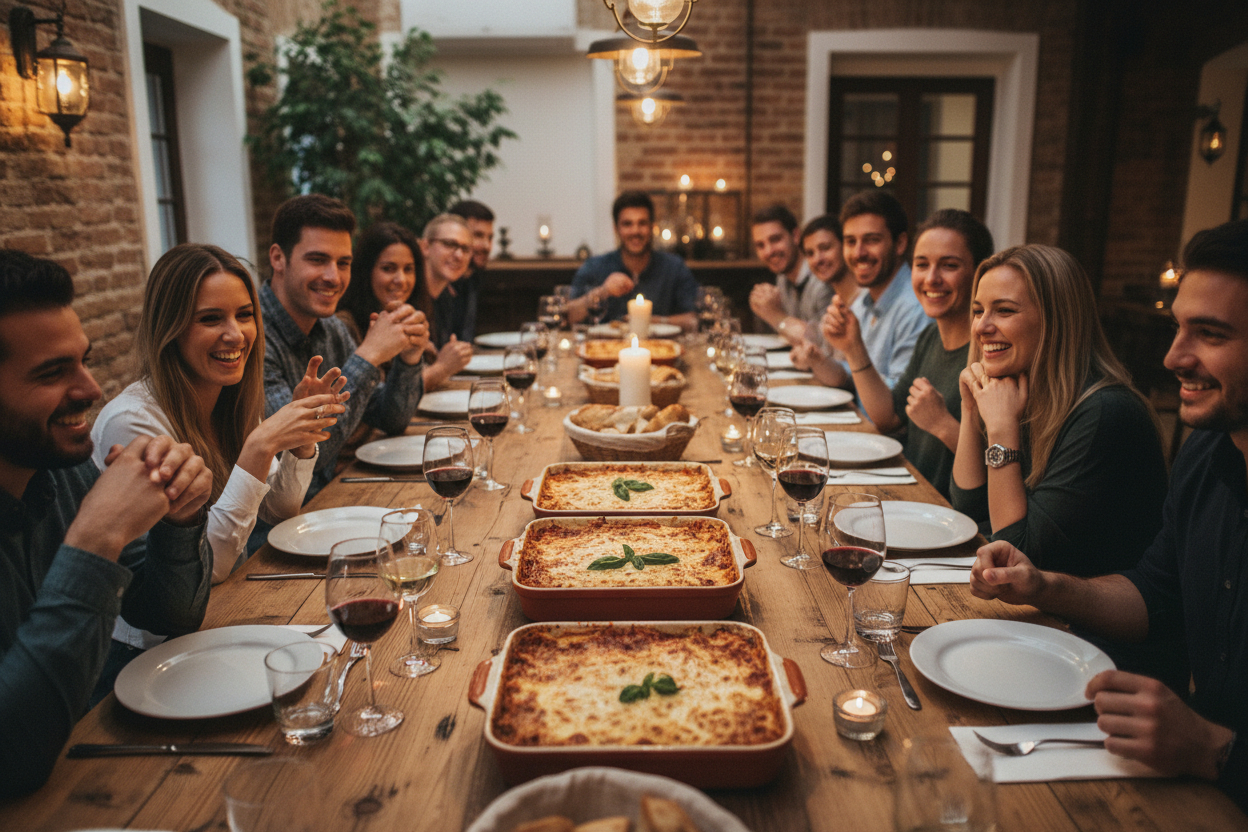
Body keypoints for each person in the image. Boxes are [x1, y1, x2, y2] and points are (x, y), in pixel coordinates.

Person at [968, 220, 1248, 811]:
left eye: (1212, 334)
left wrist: (1216, 748)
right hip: (1170, 759)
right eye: (1179, 329)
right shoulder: (1206, 451)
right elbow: (1154, 593)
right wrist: (1043, 584)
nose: (1174, 356)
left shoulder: (1108, 415)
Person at [0, 249, 213, 797]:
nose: (91, 389)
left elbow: (169, 614)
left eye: (82, 361)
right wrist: (95, 540)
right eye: (53, 372)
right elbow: (14, 756)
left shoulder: (56, 469)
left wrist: (180, 522)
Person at [93, 244, 347, 588]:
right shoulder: (131, 422)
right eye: (210, 318)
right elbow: (204, 570)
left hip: (225, 605)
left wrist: (300, 442)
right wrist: (260, 446)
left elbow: (279, 510)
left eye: (244, 315)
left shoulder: (229, 398)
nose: (235, 334)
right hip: (152, 638)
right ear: (170, 327)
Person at [950, 244, 1167, 575]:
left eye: (1004, 310)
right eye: (978, 311)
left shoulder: (1104, 412)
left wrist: (1001, 429)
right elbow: (967, 510)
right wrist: (969, 409)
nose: (981, 327)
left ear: (1057, 320)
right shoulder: (1016, 391)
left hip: (1081, 624)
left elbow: (1019, 555)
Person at [261, 194, 429, 497]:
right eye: (317, 260)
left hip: (328, 500)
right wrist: (369, 355)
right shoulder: (252, 336)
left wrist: (409, 357)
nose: (333, 277)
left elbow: (391, 418)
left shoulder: (331, 329)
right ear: (278, 258)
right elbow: (307, 457)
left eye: (343, 263)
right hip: (266, 529)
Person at [822, 209, 994, 497]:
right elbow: (887, 416)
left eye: (949, 265)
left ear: (980, 272)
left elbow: (1001, 467)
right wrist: (853, 347)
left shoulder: (989, 355)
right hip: (913, 494)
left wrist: (944, 426)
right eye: (922, 264)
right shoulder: (930, 337)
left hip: (953, 515)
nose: (931, 278)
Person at [805, 190, 930, 390]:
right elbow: (852, 376)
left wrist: (852, 352)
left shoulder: (916, 307)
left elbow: (899, 401)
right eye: (851, 242)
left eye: (871, 240)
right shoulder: (864, 299)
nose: (858, 253)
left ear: (900, 243)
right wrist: (817, 359)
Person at [340, 221, 469, 392]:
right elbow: (370, 404)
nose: (401, 280)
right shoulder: (344, 325)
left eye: (408, 269)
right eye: (388, 268)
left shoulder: (411, 313)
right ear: (366, 271)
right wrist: (442, 368)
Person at [568, 191, 699, 331]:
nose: (635, 231)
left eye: (642, 223)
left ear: (652, 227)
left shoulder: (674, 267)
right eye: (627, 224)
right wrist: (603, 291)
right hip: (603, 350)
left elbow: (693, 321)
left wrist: (654, 321)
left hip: (661, 350)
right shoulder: (594, 267)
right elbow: (568, 316)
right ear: (616, 228)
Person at [748, 205, 833, 347]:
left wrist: (774, 315)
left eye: (775, 239)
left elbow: (826, 345)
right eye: (760, 245)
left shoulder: (822, 279)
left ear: (795, 236)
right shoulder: (782, 279)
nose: (768, 251)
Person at [417, 213, 475, 386]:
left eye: (466, 249)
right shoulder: (406, 297)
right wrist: (443, 367)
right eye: (450, 244)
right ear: (425, 247)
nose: (459, 255)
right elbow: (394, 391)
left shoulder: (446, 297)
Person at [447, 198, 495, 342]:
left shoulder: (473, 277)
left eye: (490, 237)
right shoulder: (441, 284)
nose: (487, 246)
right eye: (478, 235)